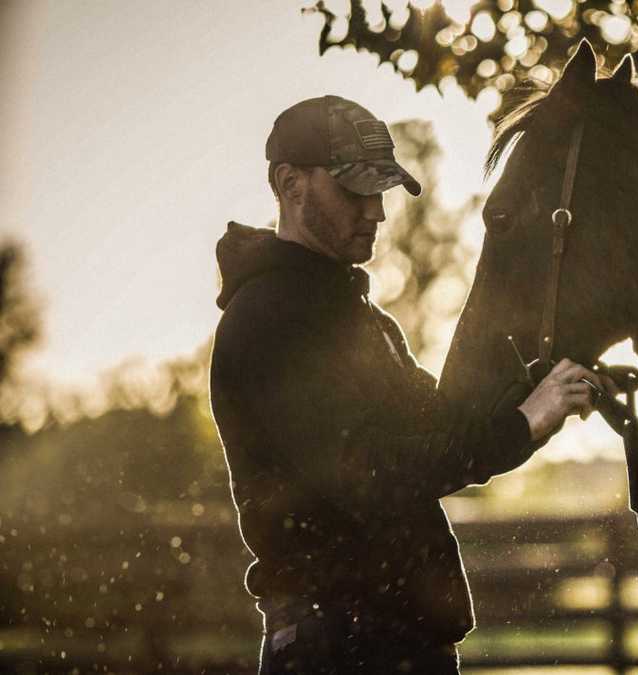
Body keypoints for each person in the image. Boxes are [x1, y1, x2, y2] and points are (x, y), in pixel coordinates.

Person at [209, 95, 608, 674]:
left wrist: (537, 391)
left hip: (385, 640)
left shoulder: (360, 319)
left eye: (380, 193)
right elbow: (378, 470)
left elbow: (447, 427)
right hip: (340, 645)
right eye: (354, 191)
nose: (375, 212)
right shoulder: (273, 321)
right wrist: (524, 422)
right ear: (290, 184)